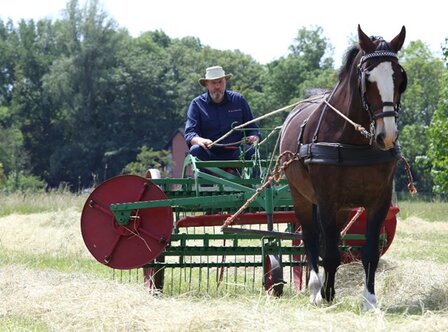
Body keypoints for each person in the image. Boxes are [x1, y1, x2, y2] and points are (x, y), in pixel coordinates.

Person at [184, 66, 261, 161]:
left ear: (225, 82)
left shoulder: (239, 100)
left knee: (251, 151)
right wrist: (200, 140)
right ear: (206, 84)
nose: (217, 87)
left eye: (220, 82)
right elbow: (190, 133)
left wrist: (254, 136)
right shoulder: (197, 104)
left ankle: (253, 176)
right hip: (209, 153)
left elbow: (252, 127)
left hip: (237, 152)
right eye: (213, 83)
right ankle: (204, 176)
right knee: (195, 150)